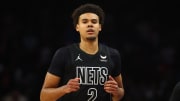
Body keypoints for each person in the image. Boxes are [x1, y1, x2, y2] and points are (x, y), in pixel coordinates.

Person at [40, 3, 124, 101]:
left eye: (94, 21)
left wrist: (116, 91)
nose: (90, 24)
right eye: (84, 22)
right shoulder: (64, 54)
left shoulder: (113, 55)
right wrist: (64, 89)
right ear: (77, 27)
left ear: (100, 27)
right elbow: (43, 96)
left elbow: (120, 93)